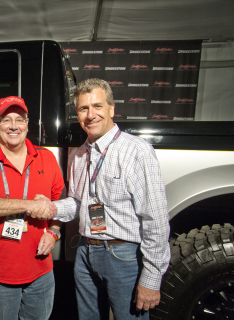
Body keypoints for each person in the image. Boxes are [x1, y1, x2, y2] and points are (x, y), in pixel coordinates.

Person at [52, 78, 170, 319]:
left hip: (122, 255)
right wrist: (48, 207)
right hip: (85, 253)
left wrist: (151, 278)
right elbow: (77, 203)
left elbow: (155, 219)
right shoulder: (80, 154)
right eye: (83, 108)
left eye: (97, 106)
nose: (90, 115)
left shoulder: (137, 151)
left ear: (112, 109)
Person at [0, 96, 64, 320]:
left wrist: (54, 232)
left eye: (19, 120)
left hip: (42, 271)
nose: (13, 126)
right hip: (0, 275)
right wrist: (29, 205)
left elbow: (61, 201)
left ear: (27, 124)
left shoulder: (46, 158)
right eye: (6, 120)